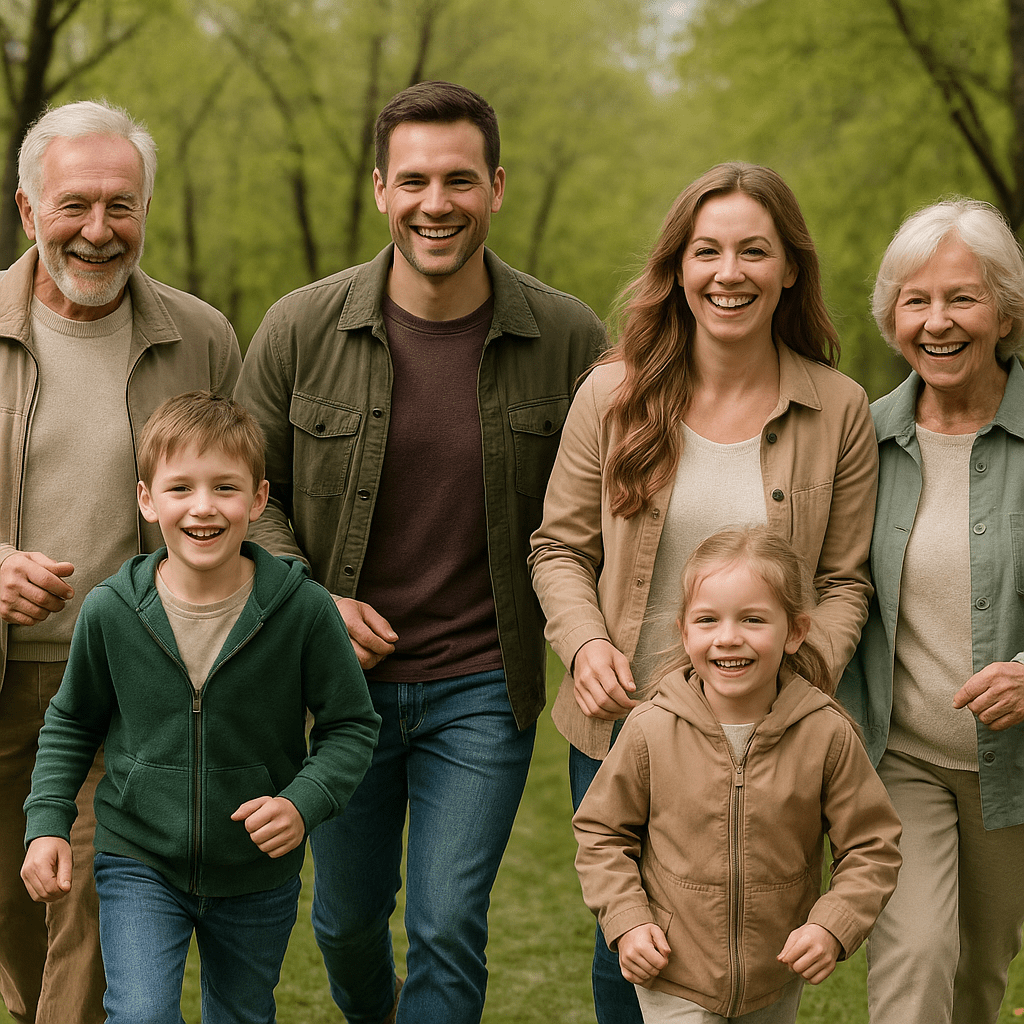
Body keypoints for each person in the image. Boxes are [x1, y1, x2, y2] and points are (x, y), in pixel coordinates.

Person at [233, 80, 605, 1024]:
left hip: (482, 686)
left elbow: (613, 505)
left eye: (459, 180)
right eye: (414, 181)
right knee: (346, 922)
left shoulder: (568, 338)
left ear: (497, 187)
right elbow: (246, 497)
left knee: (447, 926)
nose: (436, 204)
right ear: (380, 191)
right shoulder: (299, 328)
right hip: (337, 691)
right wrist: (308, 599)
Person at [528, 162, 878, 1022]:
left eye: (754, 251)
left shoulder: (837, 408)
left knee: (748, 943)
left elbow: (843, 580)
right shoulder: (612, 394)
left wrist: (804, 675)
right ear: (678, 267)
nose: (730, 273)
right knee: (629, 944)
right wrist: (586, 645)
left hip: (767, 728)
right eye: (707, 251)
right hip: (625, 719)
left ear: (789, 269)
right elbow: (559, 547)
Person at [19, 391, 380, 1024]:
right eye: (180, 487)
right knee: (140, 1014)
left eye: (225, 487)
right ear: (147, 499)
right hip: (137, 858)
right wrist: (47, 822)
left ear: (259, 499)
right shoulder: (112, 609)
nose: (203, 506)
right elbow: (71, 722)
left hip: (256, 872)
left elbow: (350, 725)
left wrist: (302, 802)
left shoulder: (303, 611)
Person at [0, 100, 241, 1024]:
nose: (98, 230)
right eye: (74, 205)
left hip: (130, 684)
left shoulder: (202, 338)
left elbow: (242, 500)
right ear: (29, 210)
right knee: (15, 917)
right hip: (5, 682)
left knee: (91, 904)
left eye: (121, 206)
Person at [573, 526, 902, 1024]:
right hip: (673, 973)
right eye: (708, 619)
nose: (728, 637)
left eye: (753, 619)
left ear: (795, 632)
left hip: (775, 974)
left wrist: (833, 925)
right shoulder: (649, 729)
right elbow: (601, 832)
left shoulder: (825, 733)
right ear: (685, 631)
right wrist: (629, 921)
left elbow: (871, 845)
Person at [837, 198, 1024, 1024]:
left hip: (1013, 773)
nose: (937, 322)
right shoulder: (861, 440)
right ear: (892, 318)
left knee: (978, 979)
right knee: (914, 963)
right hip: (900, 758)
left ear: (1005, 312)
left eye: (962, 298)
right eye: (916, 301)